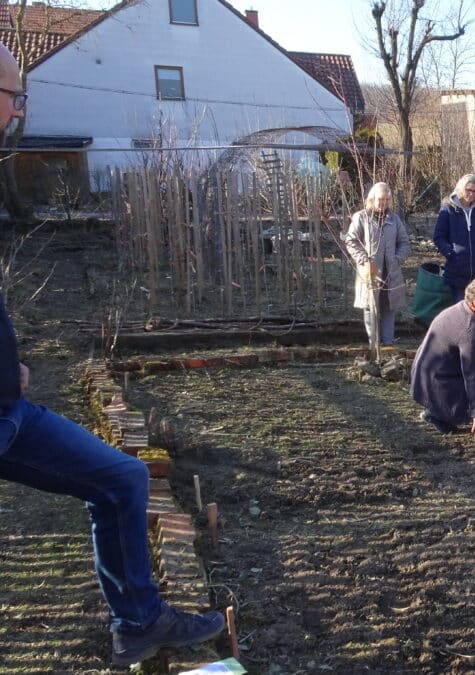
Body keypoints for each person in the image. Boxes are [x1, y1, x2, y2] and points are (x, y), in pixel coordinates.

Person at [0, 41, 224, 667]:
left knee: (124, 479)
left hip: (9, 408)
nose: (19, 112)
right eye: (14, 96)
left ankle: (140, 621)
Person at [411, 274, 475, 437]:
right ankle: (438, 415)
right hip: (437, 383)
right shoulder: (470, 328)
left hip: (428, 376)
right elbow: (471, 374)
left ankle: (455, 408)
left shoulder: (465, 309)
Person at [345, 182, 411, 347]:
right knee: (370, 308)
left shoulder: (394, 219)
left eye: (387, 200)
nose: (384, 203)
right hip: (370, 273)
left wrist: (397, 259)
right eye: (381, 199)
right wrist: (364, 261)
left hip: (391, 273)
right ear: (372, 199)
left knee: (389, 308)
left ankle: (388, 345)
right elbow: (351, 241)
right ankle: (374, 346)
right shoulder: (361, 217)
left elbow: (404, 243)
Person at [433, 174, 475, 303]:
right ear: (462, 189)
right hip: (457, 269)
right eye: (468, 190)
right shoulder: (448, 209)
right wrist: (450, 253)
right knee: (461, 310)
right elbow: (438, 236)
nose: (471, 194)